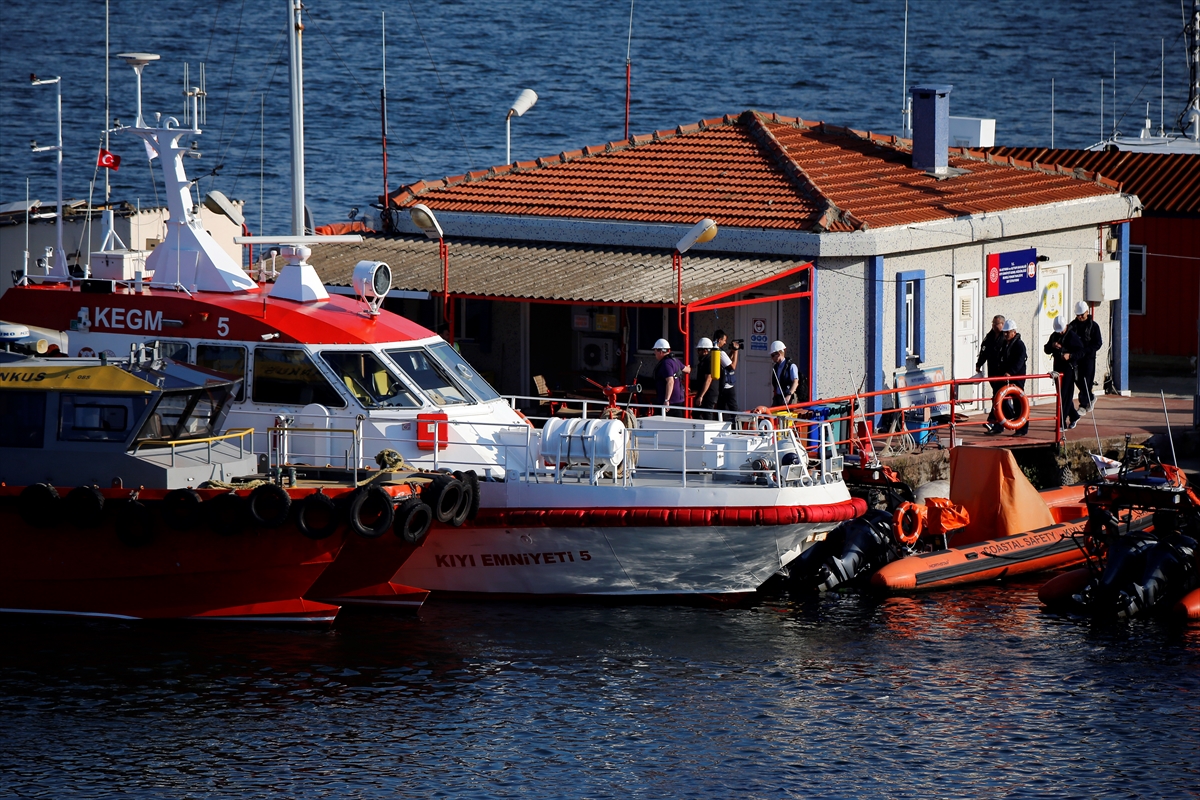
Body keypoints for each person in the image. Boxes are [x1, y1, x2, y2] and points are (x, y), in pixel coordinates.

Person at [987, 319, 1029, 437]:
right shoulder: (1004, 344)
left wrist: (1011, 372)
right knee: (998, 398)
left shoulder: (1019, 345)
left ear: (1014, 332)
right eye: (1004, 332)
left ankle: (1022, 429)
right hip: (1004, 376)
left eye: (1007, 332)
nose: (1005, 335)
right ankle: (998, 425)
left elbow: (1020, 361)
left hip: (1017, 377)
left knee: (1019, 401)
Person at [1044, 315, 1083, 430]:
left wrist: (1070, 355)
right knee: (1062, 395)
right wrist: (1052, 345)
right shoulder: (1054, 335)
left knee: (1065, 396)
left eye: (1061, 330)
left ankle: (1061, 422)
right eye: (1058, 331)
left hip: (1068, 369)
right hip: (1057, 369)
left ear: (1065, 326)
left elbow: (1081, 351)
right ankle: (1074, 416)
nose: (1060, 333)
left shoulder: (1072, 336)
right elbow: (1046, 349)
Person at [1067, 300, 1102, 414]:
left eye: (1082, 315)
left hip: (1088, 358)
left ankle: (1083, 404)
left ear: (1087, 312)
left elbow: (1098, 343)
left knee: (1087, 381)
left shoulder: (1093, 326)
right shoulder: (1072, 326)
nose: (1080, 317)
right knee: (1078, 380)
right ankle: (1090, 397)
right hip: (1077, 358)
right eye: (1078, 315)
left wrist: (1088, 350)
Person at [977, 315, 1007, 432]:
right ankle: (1006, 418)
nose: (994, 326)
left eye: (996, 324)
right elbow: (984, 350)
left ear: (1003, 324)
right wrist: (979, 363)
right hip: (992, 371)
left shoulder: (1005, 337)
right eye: (993, 323)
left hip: (1002, 373)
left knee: (998, 397)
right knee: (999, 398)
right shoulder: (989, 337)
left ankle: (993, 421)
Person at [651, 338, 690, 417]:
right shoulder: (675, 360)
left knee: (661, 426)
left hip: (670, 404)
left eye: (655, 351)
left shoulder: (666, 364)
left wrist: (666, 400)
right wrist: (689, 367)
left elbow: (670, 381)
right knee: (677, 427)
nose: (654, 352)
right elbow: (687, 370)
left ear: (661, 352)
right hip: (678, 401)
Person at [711, 330, 740, 414]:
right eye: (724, 340)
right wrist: (736, 351)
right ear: (720, 339)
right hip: (728, 386)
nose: (725, 343)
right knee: (733, 408)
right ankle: (739, 425)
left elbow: (726, 362)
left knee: (721, 408)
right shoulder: (720, 352)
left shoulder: (715, 351)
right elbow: (733, 366)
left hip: (721, 386)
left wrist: (731, 351)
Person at [769, 340, 800, 407]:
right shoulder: (776, 367)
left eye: (773, 355)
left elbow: (795, 382)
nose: (772, 358)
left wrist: (789, 395)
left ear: (778, 354)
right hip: (778, 398)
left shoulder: (791, 366)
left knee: (787, 416)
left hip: (789, 398)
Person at [692, 337, 717, 420]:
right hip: (704, 392)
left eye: (699, 350)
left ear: (705, 350)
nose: (697, 352)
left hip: (709, 393)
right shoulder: (704, 360)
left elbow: (708, 379)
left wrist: (701, 396)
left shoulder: (709, 361)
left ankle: (710, 432)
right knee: (696, 413)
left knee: (707, 414)